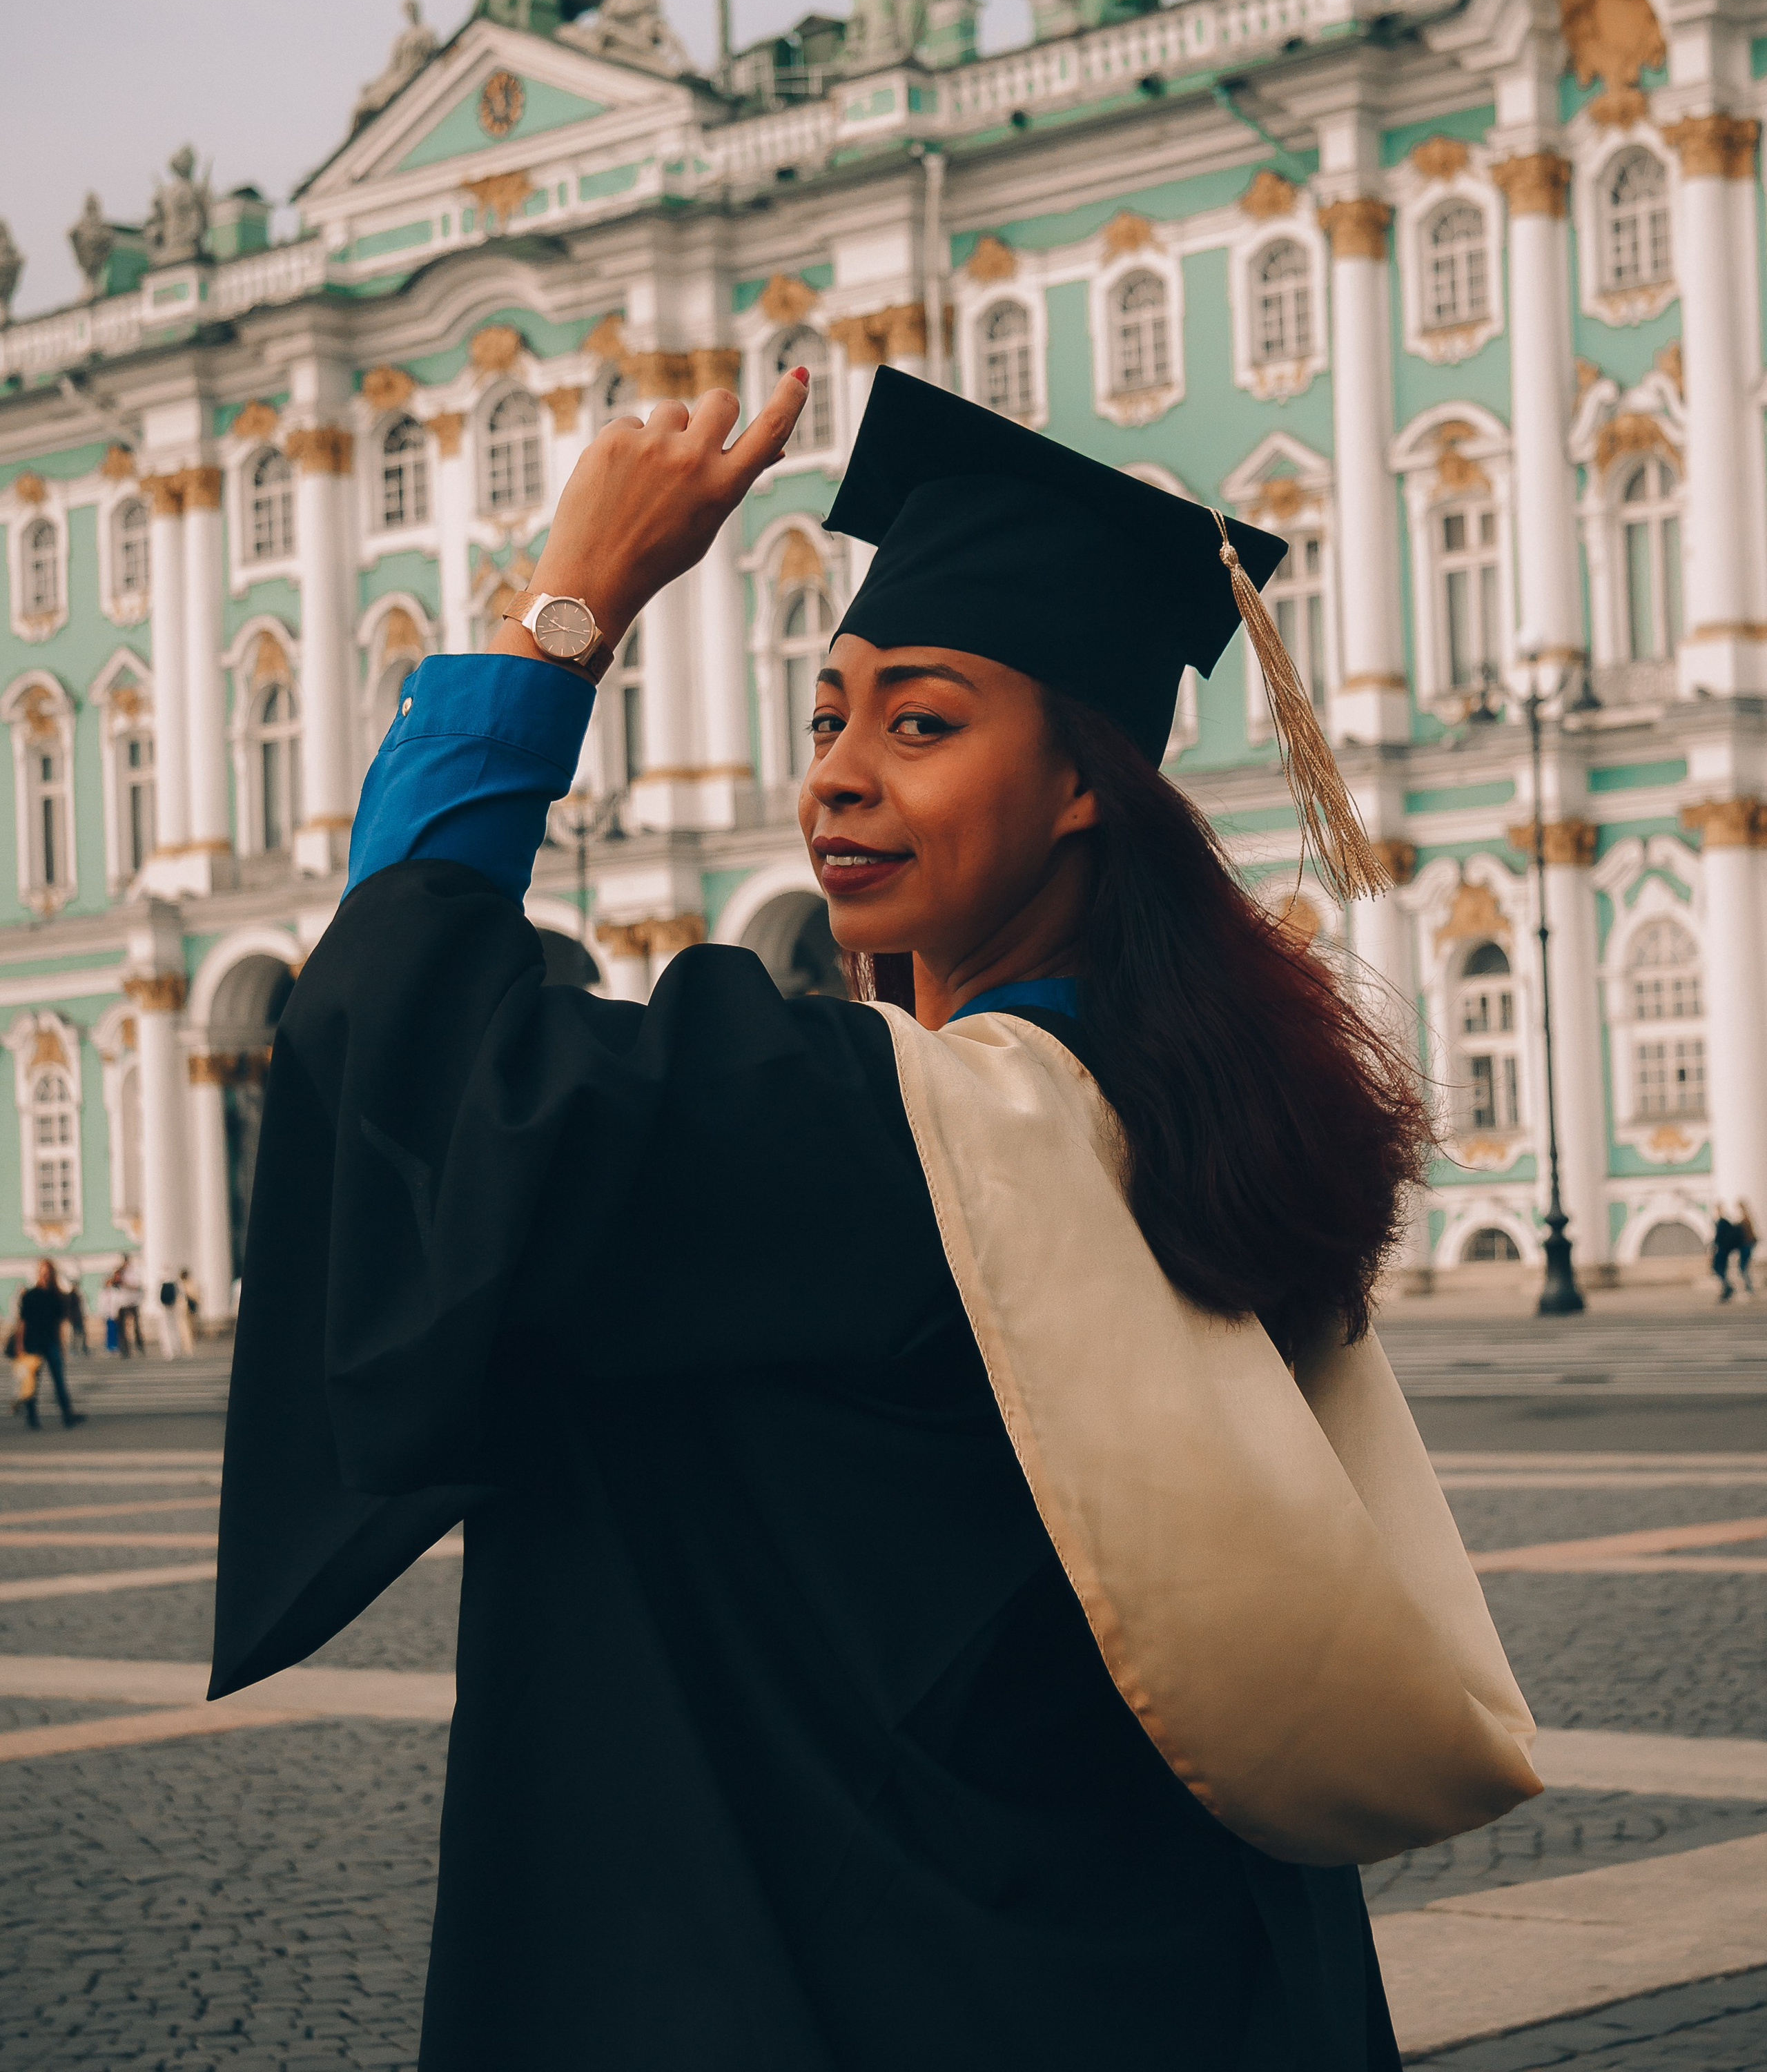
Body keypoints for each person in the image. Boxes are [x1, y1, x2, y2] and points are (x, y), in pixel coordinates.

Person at [213, 367, 1539, 2071]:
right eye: (827, 716)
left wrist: (565, 616)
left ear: (1081, 782)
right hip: (1170, 1977)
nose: (836, 776)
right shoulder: (1178, 1112)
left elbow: (403, 1040)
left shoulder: (874, 1133)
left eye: (918, 722)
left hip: (862, 1985)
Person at [14, 1260, 84, 1431]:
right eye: (42, 1271)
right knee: (32, 1382)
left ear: (52, 1274)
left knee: (59, 1381)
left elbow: (59, 1325)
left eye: (48, 1272)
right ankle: (32, 1417)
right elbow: (22, 1323)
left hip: (50, 1343)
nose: (45, 1275)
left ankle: (67, 1414)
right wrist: (20, 1345)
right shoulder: (30, 1295)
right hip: (33, 1343)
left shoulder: (56, 1297)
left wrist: (61, 1346)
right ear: (39, 1274)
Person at [1713, 1197, 1758, 1300]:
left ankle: (1746, 1288)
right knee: (1742, 1268)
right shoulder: (1741, 1220)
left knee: (1742, 1268)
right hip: (1743, 1246)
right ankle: (1744, 1288)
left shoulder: (1742, 1220)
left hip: (1743, 1247)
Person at [115, 1257, 143, 1358]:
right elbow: (114, 1284)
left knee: (136, 1326)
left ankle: (139, 1346)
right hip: (123, 1303)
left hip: (133, 1302)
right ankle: (125, 1350)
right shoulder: (119, 1272)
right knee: (122, 1328)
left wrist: (127, 1285)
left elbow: (136, 1286)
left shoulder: (134, 1272)